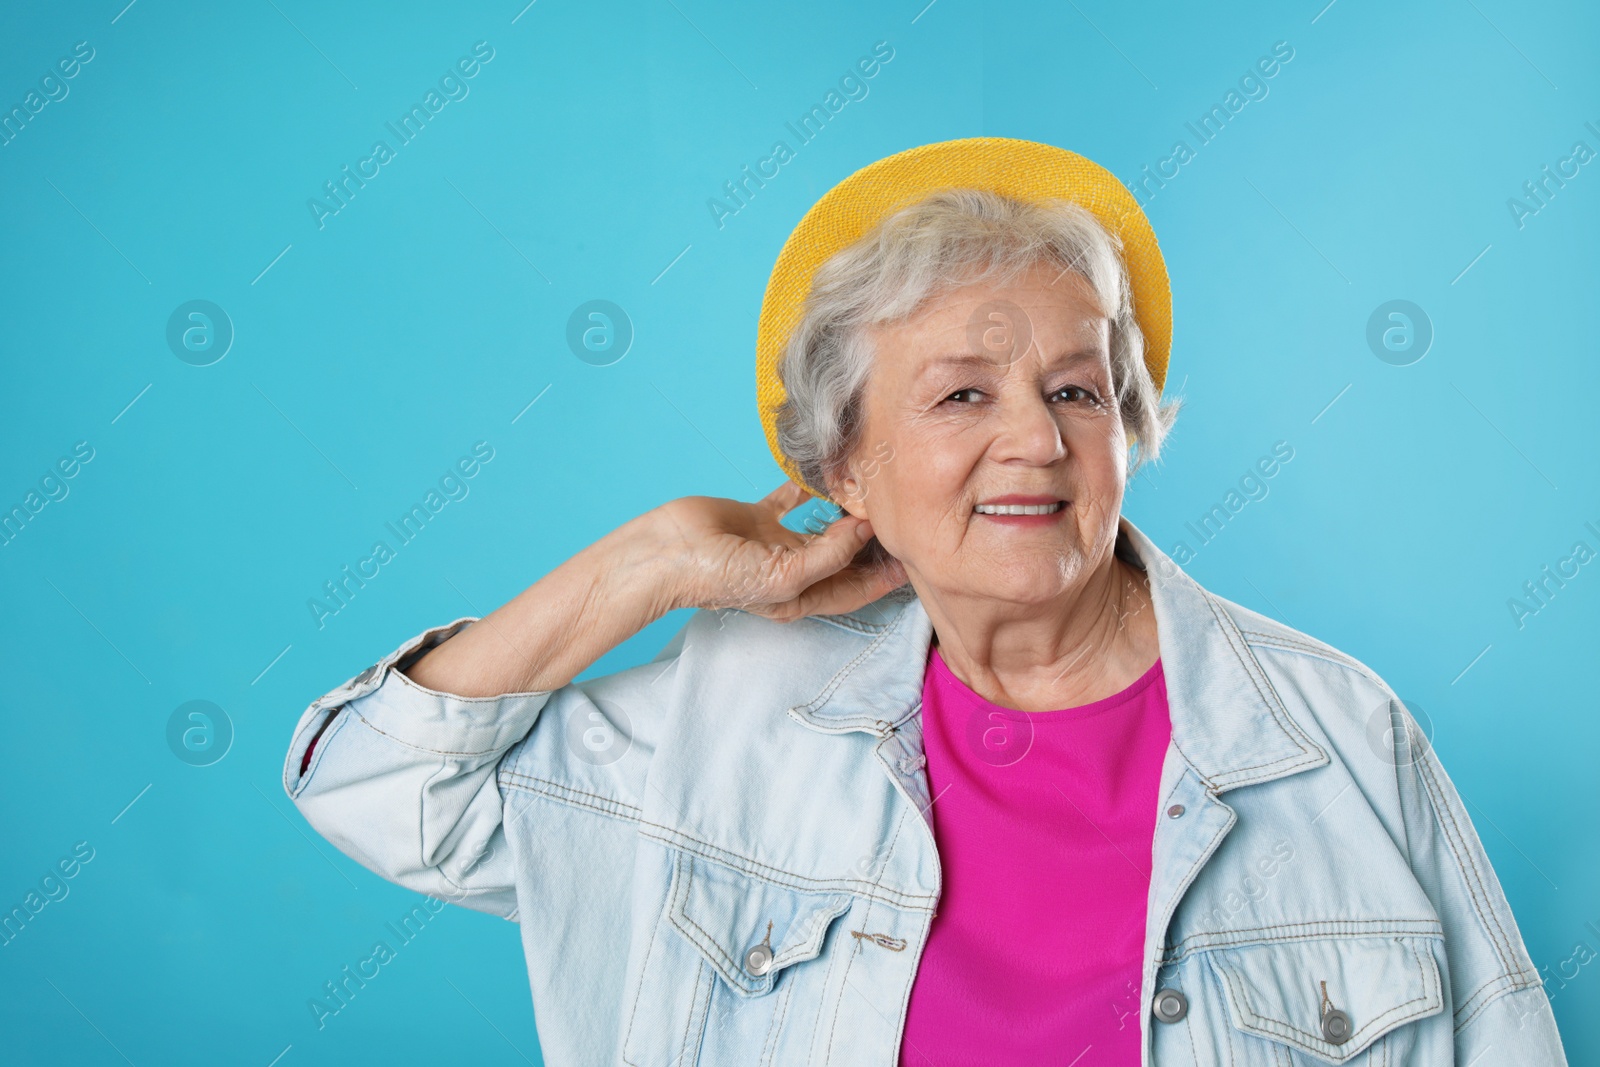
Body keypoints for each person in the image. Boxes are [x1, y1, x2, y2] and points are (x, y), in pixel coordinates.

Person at [283, 138, 1567, 1065]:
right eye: (962, 395)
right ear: (844, 468)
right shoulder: (727, 720)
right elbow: (378, 786)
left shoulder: (1339, 731)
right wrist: (658, 559)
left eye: (1077, 390)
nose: (1037, 443)